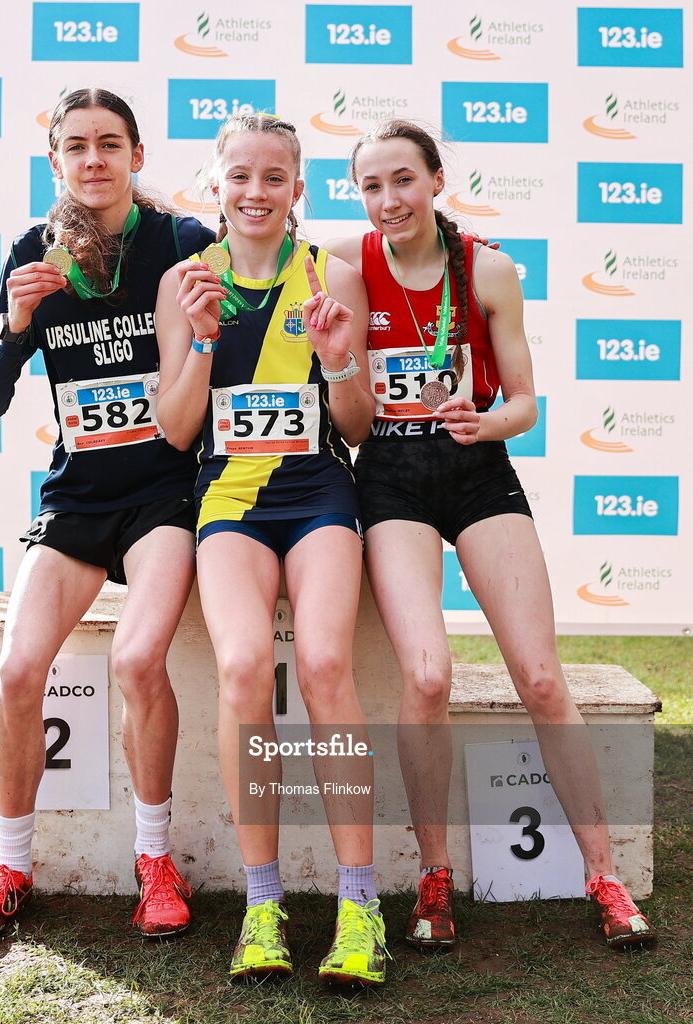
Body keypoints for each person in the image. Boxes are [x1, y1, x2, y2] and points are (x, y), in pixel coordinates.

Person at [325, 118, 656, 951]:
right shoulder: (348, 265)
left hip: (477, 470)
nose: (389, 200)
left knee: (542, 677)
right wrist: (341, 367)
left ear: (437, 180)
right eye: (371, 186)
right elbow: (356, 426)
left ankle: (604, 877)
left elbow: (524, 403)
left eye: (403, 179)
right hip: (392, 476)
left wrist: (486, 421)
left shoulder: (490, 268)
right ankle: (434, 876)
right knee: (428, 679)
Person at [0, 88, 215, 940]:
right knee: (19, 671)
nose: (93, 159)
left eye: (110, 143)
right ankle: (11, 867)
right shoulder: (36, 252)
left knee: (139, 663)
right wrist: (19, 324)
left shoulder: (179, 242)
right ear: (55, 159)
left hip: (167, 497)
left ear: (138, 156)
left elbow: (260, 301)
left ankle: (155, 859)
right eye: (76, 146)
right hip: (77, 497)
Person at [155, 114, 389, 985]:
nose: (256, 192)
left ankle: (358, 907)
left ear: (299, 188)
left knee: (326, 664)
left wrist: (338, 360)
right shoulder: (186, 281)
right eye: (239, 176)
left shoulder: (331, 274)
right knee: (245, 665)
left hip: (319, 493)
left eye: (274, 177)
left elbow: (358, 428)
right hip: (228, 500)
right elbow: (177, 433)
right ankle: (263, 906)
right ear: (214, 184)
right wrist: (206, 340)